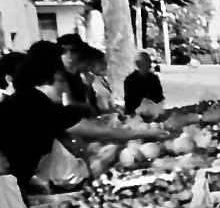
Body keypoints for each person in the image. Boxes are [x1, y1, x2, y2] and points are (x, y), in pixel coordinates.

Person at [0, 43, 169, 194]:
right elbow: (96, 132)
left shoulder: (25, 99)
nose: (64, 89)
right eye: (62, 81)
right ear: (50, 79)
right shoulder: (37, 104)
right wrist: (141, 134)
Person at [77, 46, 114, 113]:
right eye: (88, 69)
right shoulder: (94, 81)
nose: (92, 70)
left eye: (93, 65)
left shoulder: (117, 71)